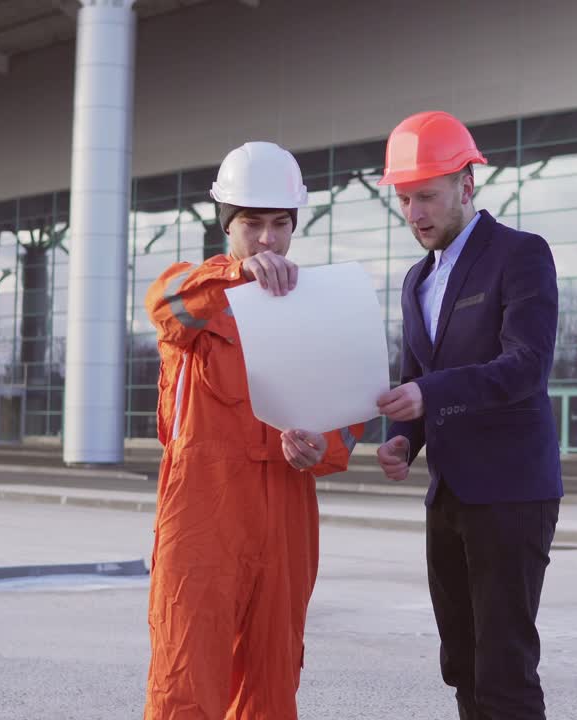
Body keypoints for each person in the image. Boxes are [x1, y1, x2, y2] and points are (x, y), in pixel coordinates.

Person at [143, 141, 365, 720]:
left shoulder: (317, 310)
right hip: (204, 513)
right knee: (187, 676)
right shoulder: (197, 294)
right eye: (251, 224)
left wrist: (321, 449)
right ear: (228, 225)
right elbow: (163, 307)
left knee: (273, 682)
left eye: (279, 224)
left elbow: (347, 417)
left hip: (287, 513)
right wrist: (235, 275)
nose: (267, 239)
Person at [374, 111, 564, 720]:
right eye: (404, 200)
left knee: (504, 670)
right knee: (462, 663)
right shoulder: (415, 281)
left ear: (466, 184)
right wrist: (404, 440)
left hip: (511, 490)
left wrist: (430, 394)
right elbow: (416, 373)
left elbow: (526, 366)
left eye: (426, 196)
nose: (414, 213)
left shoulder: (521, 255)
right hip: (448, 494)